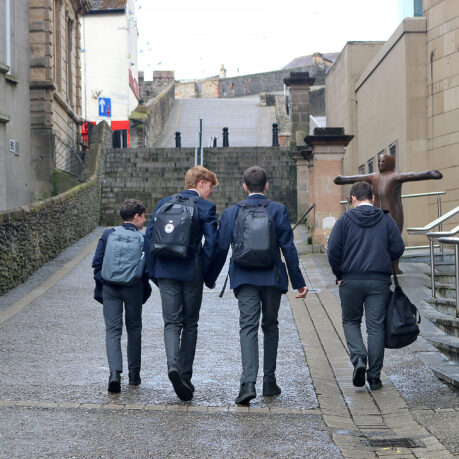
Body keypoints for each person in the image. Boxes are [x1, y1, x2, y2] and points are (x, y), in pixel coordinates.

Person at [209, 166, 308, 405]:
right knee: (271, 326)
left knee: (248, 327)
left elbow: (221, 248)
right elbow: (288, 248)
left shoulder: (232, 213)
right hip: (272, 277)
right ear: (266, 186)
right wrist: (298, 282)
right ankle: (269, 382)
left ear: (244, 186)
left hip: (244, 277)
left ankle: (247, 383)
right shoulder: (278, 210)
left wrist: (210, 276)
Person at [144, 166, 218, 402]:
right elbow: (212, 244)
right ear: (202, 183)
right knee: (190, 323)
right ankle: (184, 376)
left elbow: (149, 238)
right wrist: (208, 275)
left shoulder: (164, 202)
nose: (211, 193)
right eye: (211, 188)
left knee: (171, 322)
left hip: (165, 268)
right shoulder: (205, 207)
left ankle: (172, 366)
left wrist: (153, 272)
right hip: (191, 270)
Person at [327, 181, 405, 391]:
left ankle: (359, 359)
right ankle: (374, 377)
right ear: (372, 199)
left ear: (352, 199)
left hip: (350, 279)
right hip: (379, 280)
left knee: (350, 321)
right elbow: (398, 247)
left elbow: (333, 250)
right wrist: (385, 259)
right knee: (376, 327)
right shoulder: (385, 220)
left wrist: (339, 274)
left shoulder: (344, 221)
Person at [334, 154, 442, 273]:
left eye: (383, 161)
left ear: (390, 163)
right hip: (375, 214)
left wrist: (430, 174)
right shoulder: (373, 177)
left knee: (393, 240)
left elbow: (414, 175)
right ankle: (379, 264)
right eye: (379, 161)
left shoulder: (395, 176)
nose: (380, 163)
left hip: (393, 213)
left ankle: (394, 266)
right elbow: (354, 178)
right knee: (376, 239)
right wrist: (342, 179)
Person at [92, 199, 151, 393]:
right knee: (134, 329)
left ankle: (114, 374)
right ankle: (134, 375)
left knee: (113, 331)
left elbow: (97, 262)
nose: (144, 221)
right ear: (136, 216)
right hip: (133, 288)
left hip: (110, 287)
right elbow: (147, 269)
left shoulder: (108, 234)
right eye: (143, 217)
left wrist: (104, 282)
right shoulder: (143, 239)